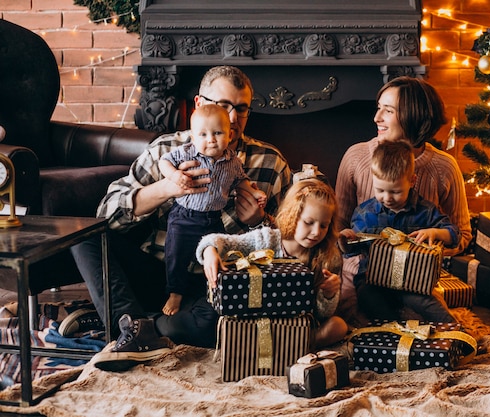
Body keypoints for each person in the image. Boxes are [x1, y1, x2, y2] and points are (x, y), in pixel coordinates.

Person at [71, 66, 292, 372]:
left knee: (219, 326)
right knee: (84, 236)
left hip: (216, 284)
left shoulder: (269, 163)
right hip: (158, 272)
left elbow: (289, 249)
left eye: (241, 109)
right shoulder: (167, 150)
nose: (231, 118)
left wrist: (259, 220)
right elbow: (107, 215)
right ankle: (137, 329)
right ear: (200, 104)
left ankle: (133, 323)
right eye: (223, 106)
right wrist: (165, 188)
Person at [334, 76, 472, 323]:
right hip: (364, 276)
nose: (377, 118)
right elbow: (338, 228)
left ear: (413, 116)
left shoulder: (444, 168)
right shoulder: (356, 157)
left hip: (416, 279)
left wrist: (433, 241)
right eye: (378, 108)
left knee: (427, 325)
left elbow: (462, 235)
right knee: (356, 322)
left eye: (388, 111)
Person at [197, 179, 348, 348]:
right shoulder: (267, 239)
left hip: (296, 327)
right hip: (255, 321)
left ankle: (289, 347)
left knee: (338, 326)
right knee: (204, 324)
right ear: (293, 215)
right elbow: (219, 240)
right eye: (309, 222)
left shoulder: (327, 257)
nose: (316, 232)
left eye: (324, 225)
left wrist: (328, 295)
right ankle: (284, 347)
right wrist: (210, 250)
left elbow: (322, 314)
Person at [158, 104, 266, 316]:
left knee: (220, 256)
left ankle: (215, 289)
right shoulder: (187, 152)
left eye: (217, 133)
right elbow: (164, 161)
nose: (211, 139)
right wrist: (173, 175)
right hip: (184, 217)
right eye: (203, 134)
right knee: (176, 255)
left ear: (229, 134)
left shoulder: (232, 161)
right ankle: (175, 292)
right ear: (193, 136)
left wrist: (254, 194)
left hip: (214, 219)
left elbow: (240, 182)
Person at [339, 140, 459, 323]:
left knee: (431, 307)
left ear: (412, 181)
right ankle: (395, 331)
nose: (387, 198)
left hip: (413, 284)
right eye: (380, 190)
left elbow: (455, 235)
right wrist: (346, 241)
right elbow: (353, 251)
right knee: (368, 301)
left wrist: (434, 233)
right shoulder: (365, 214)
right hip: (373, 282)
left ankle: (459, 336)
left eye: (395, 192)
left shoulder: (425, 211)